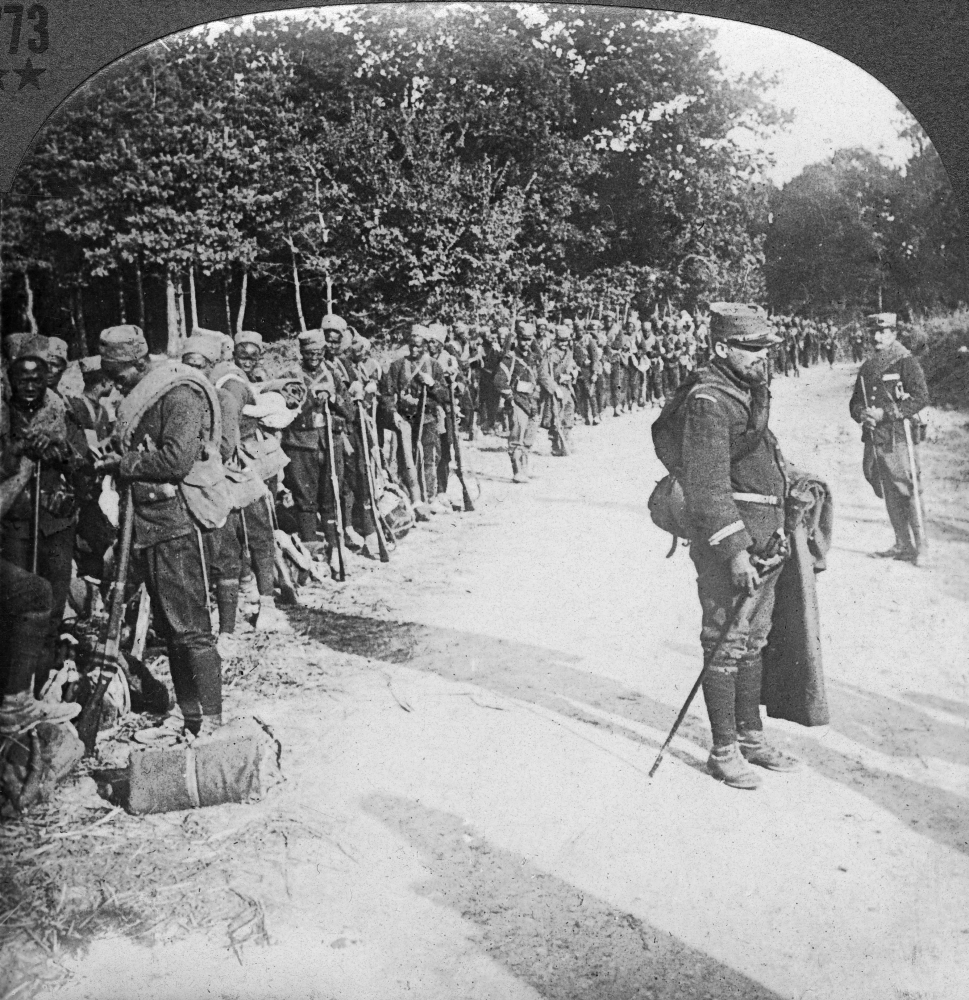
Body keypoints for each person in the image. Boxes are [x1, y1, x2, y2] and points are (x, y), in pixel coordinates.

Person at [655, 302, 799, 789]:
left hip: (765, 536)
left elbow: (759, 454)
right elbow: (708, 486)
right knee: (725, 640)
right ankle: (722, 750)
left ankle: (751, 737)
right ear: (721, 348)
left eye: (766, 348)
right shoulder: (709, 400)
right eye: (752, 348)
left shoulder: (747, 389)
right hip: (731, 543)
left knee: (753, 640)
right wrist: (734, 550)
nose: (763, 356)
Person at [95, 324, 224, 738]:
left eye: (120, 374)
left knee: (192, 630)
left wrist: (124, 464)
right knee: (170, 631)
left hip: (174, 525)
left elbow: (175, 460)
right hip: (145, 527)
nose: (116, 383)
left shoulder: (179, 393)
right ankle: (189, 719)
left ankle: (213, 722)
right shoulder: (142, 395)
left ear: (139, 363)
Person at [1, 337, 88, 688]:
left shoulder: (62, 411)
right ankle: (13, 692)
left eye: (38, 378)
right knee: (18, 610)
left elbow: (85, 469)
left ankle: (40, 688)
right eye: (23, 379)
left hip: (55, 524)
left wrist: (60, 453)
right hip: (13, 526)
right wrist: (18, 450)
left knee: (52, 607)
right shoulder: (4, 415)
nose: (31, 386)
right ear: (10, 379)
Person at [849, 312, 929, 563]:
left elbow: (920, 397)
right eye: (873, 332)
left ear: (893, 334)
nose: (876, 337)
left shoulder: (905, 361)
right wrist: (863, 414)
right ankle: (902, 543)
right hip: (876, 437)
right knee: (887, 488)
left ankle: (921, 546)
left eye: (882, 332)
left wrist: (886, 413)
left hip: (898, 435)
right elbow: (855, 402)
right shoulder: (867, 366)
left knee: (906, 488)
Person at [494, 323, 548, 483]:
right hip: (517, 402)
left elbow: (539, 369)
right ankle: (517, 471)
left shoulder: (533, 357)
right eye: (523, 339)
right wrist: (510, 399)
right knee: (516, 437)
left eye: (529, 340)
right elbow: (499, 381)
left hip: (532, 402)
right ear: (517, 339)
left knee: (529, 438)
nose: (526, 343)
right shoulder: (510, 358)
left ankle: (525, 468)